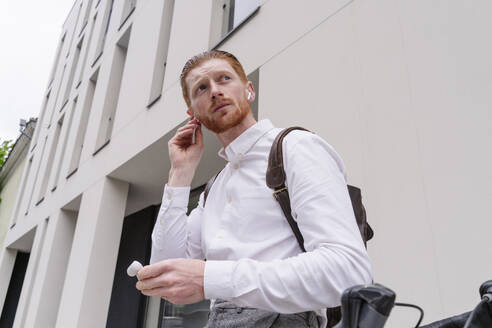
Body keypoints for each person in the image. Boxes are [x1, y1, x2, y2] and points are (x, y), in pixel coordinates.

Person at [135, 50, 372, 327]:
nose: (215, 91)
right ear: (193, 114)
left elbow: (348, 271)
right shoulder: (214, 188)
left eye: (224, 79)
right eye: (201, 87)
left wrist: (209, 279)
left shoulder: (296, 147)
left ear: (249, 90)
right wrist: (180, 173)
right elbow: (166, 274)